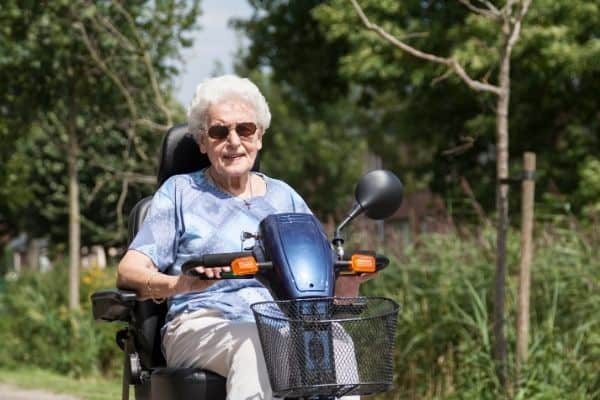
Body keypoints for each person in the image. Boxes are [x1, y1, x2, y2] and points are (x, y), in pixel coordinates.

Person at [117, 75, 373, 400]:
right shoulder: (179, 193)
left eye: (245, 129)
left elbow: (319, 289)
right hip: (202, 321)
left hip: (282, 322)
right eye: (220, 131)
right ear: (202, 142)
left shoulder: (285, 198)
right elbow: (129, 270)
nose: (234, 141)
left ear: (260, 136)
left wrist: (349, 283)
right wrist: (179, 285)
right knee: (256, 343)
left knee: (335, 341)